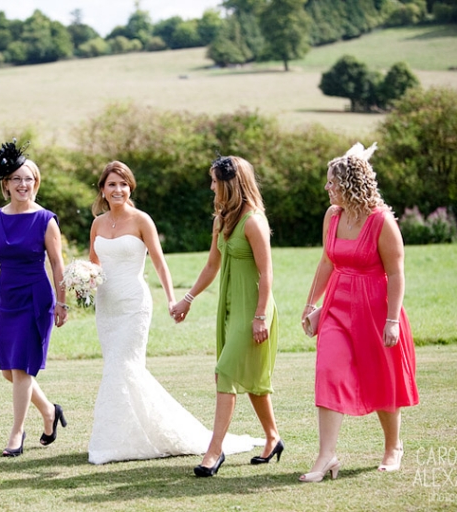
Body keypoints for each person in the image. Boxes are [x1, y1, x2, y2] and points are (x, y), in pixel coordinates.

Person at [88, 161, 261, 465]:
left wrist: (172, 299)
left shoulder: (142, 220)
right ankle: (128, 437)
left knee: (123, 366)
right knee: (116, 369)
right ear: (102, 189)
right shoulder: (97, 224)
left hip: (133, 305)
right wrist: (85, 281)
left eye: (123, 184)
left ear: (131, 188)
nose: (118, 190)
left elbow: (159, 262)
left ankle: (111, 444)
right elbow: (94, 265)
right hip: (107, 307)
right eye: (112, 184)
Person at [299, 142, 419, 483]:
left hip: (375, 308)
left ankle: (393, 446)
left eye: (331, 182)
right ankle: (326, 456)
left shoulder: (381, 221)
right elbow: (326, 261)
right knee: (328, 369)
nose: (326, 188)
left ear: (349, 184)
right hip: (337, 305)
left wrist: (392, 320)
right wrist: (312, 305)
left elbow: (396, 273)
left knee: (381, 374)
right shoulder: (332, 216)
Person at [171, 155, 282, 477]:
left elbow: (266, 273)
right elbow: (211, 265)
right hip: (231, 307)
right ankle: (273, 438)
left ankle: (214, 450)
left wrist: (261, 316)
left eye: (214, 181)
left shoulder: (254, 221)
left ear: (230, 184)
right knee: (251, 380)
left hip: (254, 309)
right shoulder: (222, 219)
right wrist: (188, 299)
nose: (210, 186)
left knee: (226, 372)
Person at [0, 140, 68, 457]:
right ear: (6, 184)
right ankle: (50, 411)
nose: (23, 184)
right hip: (7, 298)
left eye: (28, 178)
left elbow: (57, 264)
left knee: (23, 369)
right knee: (9, 371)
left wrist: (62, 302)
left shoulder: (45, 219)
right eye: (16, 178)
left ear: (35, 182)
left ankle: (16, 433)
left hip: (36, 296)